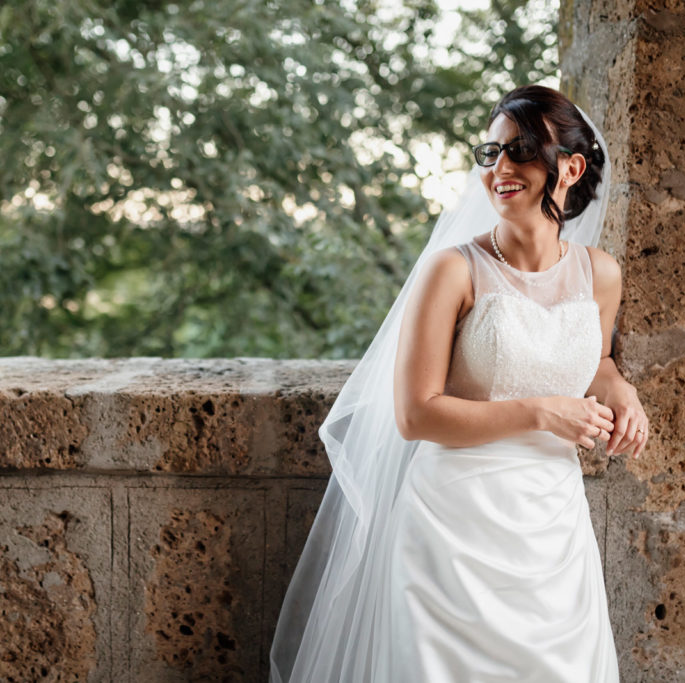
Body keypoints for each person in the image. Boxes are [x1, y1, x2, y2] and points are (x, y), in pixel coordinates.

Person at [269, 85, 648, 682]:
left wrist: (619, 386)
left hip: (552, 529)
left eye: (522, 151)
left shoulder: (600, 274)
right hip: (452, 526)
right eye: (490, 153)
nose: (500, 169)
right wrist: (545, 415)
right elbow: (416, 415)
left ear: (570, 167)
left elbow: (593, 358)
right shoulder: (452, 269)